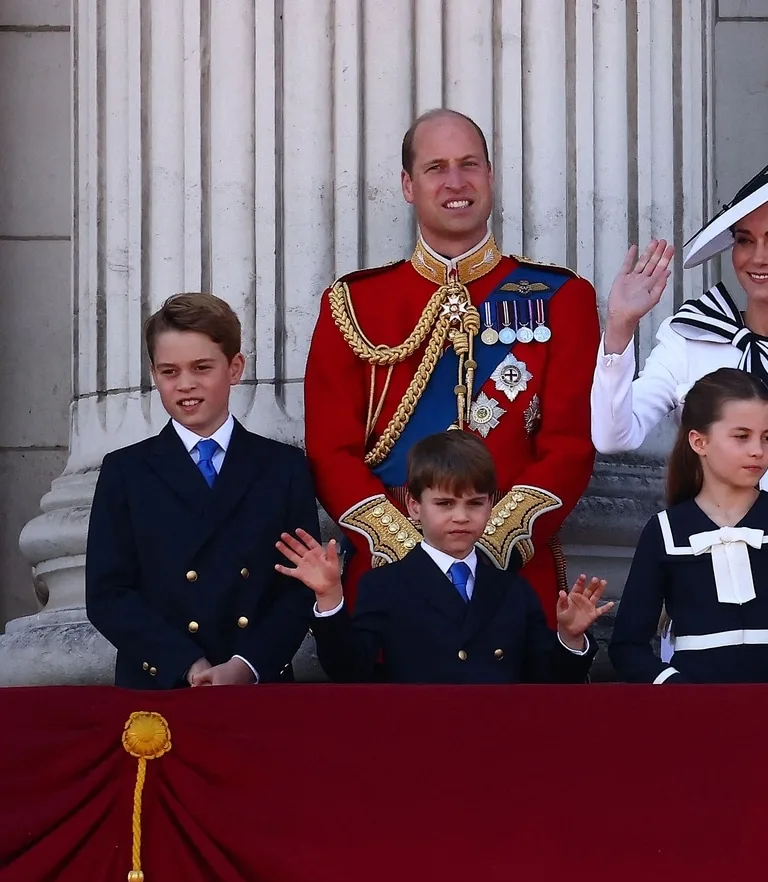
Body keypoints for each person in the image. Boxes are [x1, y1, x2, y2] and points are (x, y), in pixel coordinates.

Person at [592, 142, 768, 679]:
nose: (757, 258)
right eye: (744, 241)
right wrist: (620, 329)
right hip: (702, 630)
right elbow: (614, 435)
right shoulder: (688, 338)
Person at [303, 108, 599, 626]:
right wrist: (410, 556)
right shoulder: (352, 303)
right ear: (407, 185)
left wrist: (490, 547)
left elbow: (570, 446)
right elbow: (330, 452)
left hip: (511, 582)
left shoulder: (561, 299)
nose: (455, 182)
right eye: (435, 167)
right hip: (388, 582)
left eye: (469, 164)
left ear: (489, 175)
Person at [86, 293, 318, 689]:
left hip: (258, 685)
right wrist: (187, 663)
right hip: (161, 685)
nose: (186, 384)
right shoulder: (125, 471)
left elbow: (300, 587)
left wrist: (246, 665)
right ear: (154, 374)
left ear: (235, 367)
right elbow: (108, 594)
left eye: (201, 367)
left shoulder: (284, 467)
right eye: (169, 371)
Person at [276, 431, 606, 684]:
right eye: (445, 504)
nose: (461, 517)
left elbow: (549, 682)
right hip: (417, 746)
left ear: (491, 506)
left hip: (498, 747)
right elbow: (349, 670)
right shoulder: (385, 585)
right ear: (415, 507)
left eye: (475, 503)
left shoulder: (513, 591)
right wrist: (330, 598)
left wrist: (570, 638)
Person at [609, 369, 768, 684]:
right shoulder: (665, 531)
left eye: (767, 437)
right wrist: (677, 689)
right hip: (697, 716)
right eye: (741, 436)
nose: (758, 451)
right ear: (699, 441)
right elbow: (627, 646)